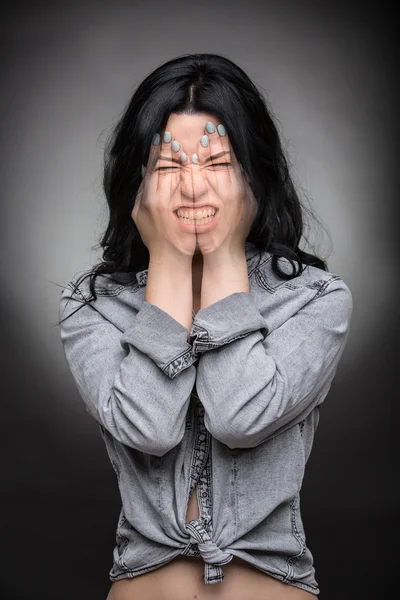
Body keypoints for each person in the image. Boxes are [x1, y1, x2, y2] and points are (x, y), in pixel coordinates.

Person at [58, 53, 353, 600]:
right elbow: (150, 428)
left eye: (216, 163)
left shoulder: (314, 299)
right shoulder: (93, 305)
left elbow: (240, 417)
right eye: (169, 167)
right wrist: (168, 261)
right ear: (137, 184)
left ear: (253, 175)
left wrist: (221, 258)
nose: (193, 188)